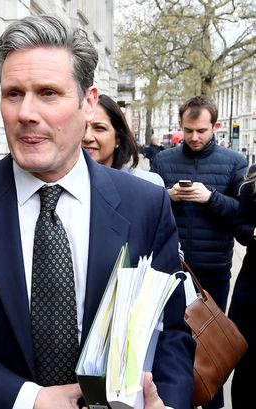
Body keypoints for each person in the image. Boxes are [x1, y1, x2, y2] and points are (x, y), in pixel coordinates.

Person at [0, 15, 194, 409]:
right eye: (13, 94)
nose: (26, 112)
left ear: (88, 102)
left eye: (48, 93)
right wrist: (30, 398)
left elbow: (171, 333)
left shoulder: (145, 205)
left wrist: (166, 404)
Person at [151, 94, 247, 409]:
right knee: (170, 346)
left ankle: (213, 402)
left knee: (212, 348)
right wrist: (166, 196)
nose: (194, 137)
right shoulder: (163, 160)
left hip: (213, 271)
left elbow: (241, 215)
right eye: (188, 130)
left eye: (201, 131)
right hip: (171, 270)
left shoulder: (235, 162)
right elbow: (146, 208)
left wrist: (211, 198)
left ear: (215, 127)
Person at [82, 94, 164, 187]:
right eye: (81, 127)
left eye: (99, 128)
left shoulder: (149, 185)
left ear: (118, 138)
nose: (87, 137)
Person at [227, 164, 256, 408]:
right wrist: (254, 232)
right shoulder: (254, 177)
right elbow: (240, 225)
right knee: (247, 361)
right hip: (253, 287)